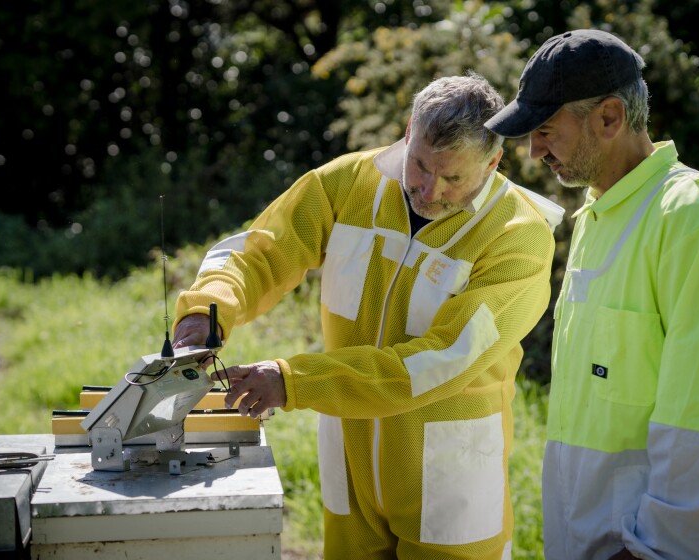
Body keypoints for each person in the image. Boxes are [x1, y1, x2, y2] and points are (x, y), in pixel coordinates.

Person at [172, 73, 561, 560]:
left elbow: (442, 360)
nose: (429, 190)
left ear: (493, 162)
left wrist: (295, 381)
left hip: (449, 474)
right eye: (420, 165)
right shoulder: (347, 181)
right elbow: (260, 253)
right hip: (348, 455)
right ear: (408, 132)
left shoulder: (519, 236)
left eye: (453, 179)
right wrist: (207, 311)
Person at [484, 29, 699, 560]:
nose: (534, 151)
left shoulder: (694, 221)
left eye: (546, 130)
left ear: (609, 117)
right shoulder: (598, 214)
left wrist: (654, 549)